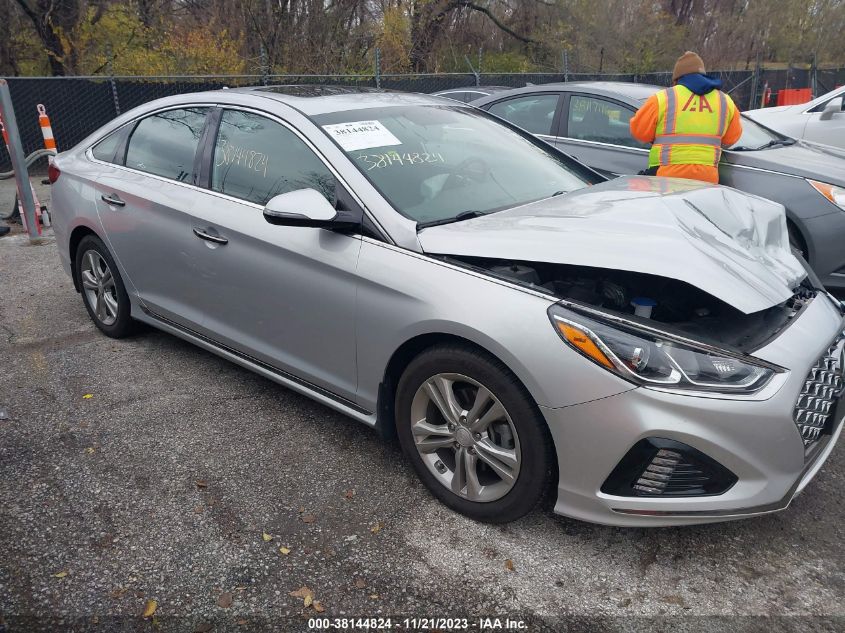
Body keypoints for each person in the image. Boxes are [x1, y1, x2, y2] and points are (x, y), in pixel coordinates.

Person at [630, 51, 742, 184]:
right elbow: (731, 139)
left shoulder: (663, 98)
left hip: (665, 178)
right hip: (707, 179)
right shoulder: (724, 100)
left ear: (677, 78)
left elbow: (639, 132)